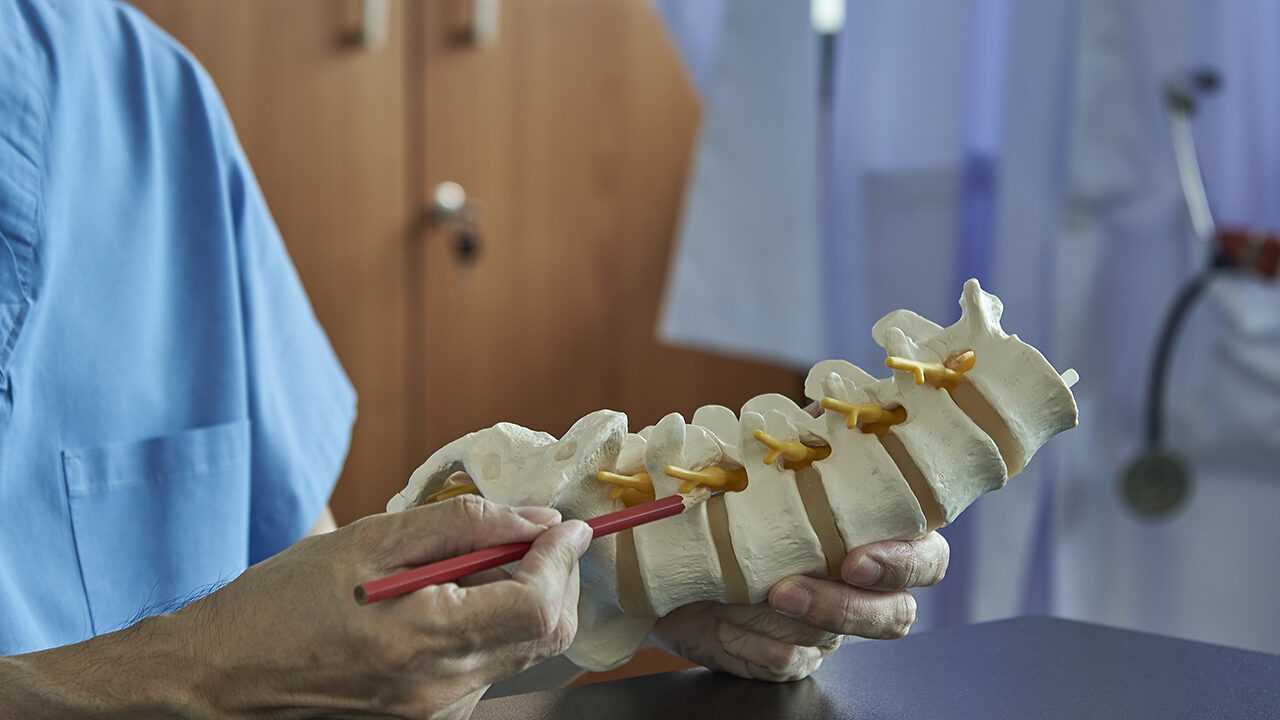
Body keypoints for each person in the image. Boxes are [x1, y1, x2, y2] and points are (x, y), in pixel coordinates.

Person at [0, 0, 950, 717]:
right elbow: (255, 650)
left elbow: (310, 595)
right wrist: (204, 669)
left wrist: (636, 583)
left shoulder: (147, 102)